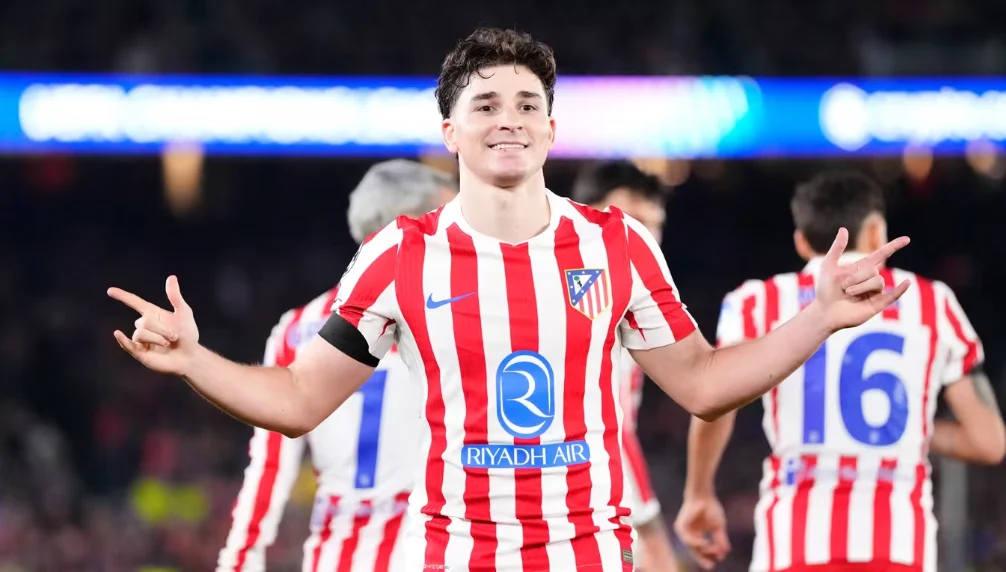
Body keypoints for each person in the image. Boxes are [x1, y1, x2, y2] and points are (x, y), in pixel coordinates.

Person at [108, 28, 910, 572]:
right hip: (453, 554)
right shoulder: (400, 256)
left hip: (587, 553)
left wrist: (818, 317)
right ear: (449, 132)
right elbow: (297, 398)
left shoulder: (616, 245)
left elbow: (701, 382)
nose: (510, 121)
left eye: (528, 105)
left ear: (552, 130)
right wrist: (195, 360)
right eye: (485, 105)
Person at [673, 170, 1005, 572]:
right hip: (900, 546)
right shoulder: (932, 302)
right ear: (877, 230)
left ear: (801, 241)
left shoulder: (755, 301)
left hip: (793, 544)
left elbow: (716, 401)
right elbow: (989, 442)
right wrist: (903, 421)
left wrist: (698, 493)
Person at [215, 160, 457, 572]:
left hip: (336, 557)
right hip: (431, 555)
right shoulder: (450, 316)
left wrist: (238, 561)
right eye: (446, 220)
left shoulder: (296, 329)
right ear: (406, 227)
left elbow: (270, 467)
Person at [571, 160, 679, 572]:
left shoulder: (625, 295)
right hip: (575, 507)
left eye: (654, 225)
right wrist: (650, 529)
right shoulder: (593, 296)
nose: (644, 238)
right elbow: (610, 427)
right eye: (632, 220)